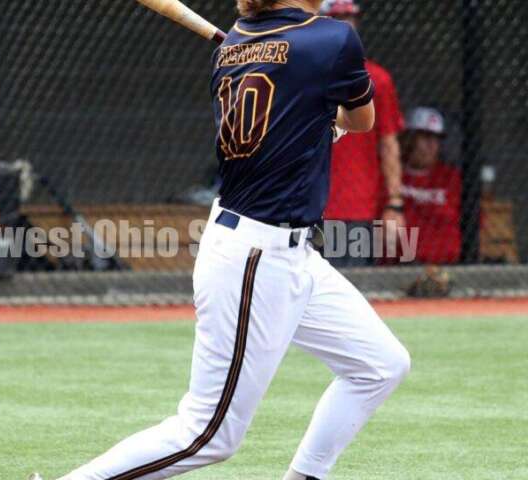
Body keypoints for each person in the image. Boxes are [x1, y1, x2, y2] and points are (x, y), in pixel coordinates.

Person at [35, 1, 410, 480]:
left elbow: (299, 123)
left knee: (380, 364)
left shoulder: (232, 44)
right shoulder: (330, 39)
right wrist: (326, 118)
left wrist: (318, 119)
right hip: (257, 255)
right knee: (208, 435)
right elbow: (362, 121)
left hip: (284, 250)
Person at [320, 0, 406, 267]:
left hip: (356, 206)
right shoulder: (306, 73)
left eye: (351, 18)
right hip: (307, 203)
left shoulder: (377, 79)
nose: (346, 25)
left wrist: (394, 203)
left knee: (350, 291)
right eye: (337, 18)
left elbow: (389, 143)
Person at [400, 107, 461, 264]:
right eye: (426, 137)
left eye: (436, 139)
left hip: (448, 263)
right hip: (401, 263)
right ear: (409, 139)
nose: (432, 145)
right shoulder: (392, 176)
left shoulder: (451, 177)